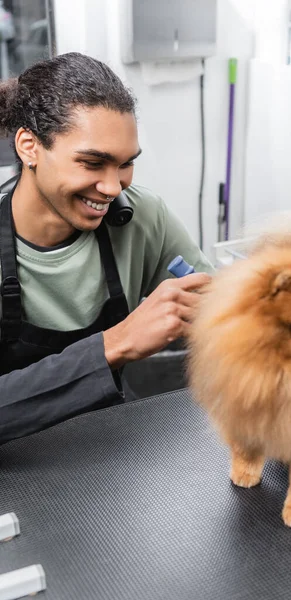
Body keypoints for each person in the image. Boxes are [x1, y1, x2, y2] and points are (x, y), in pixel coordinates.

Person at [0, 52, 213, 444]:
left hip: (113, 448)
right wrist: (117, 343)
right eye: (93, 163)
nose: (114, 187)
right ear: (29, 146)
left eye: (125, 164)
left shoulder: (141, 217)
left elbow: (227, 314)